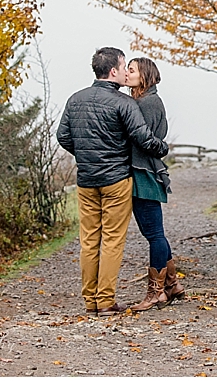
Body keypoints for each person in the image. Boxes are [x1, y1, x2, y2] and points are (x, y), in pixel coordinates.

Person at [56, 47, 170, 317]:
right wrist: (162, 148)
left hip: (86, 180)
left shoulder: (75, 99)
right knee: (111, 240)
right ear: (112, 71)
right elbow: (143, 138)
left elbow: (63, 136)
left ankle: (90, 300)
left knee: (89, 239)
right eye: (123, 66)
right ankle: (105, 300)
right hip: (116, 179)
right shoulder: (123, 103)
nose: (126, 71)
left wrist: (87, 155)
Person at [125, 57, 186, 311]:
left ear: (145, 75)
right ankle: (171, 285)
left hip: (144, 173)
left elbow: (146, 139)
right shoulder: (146, 100)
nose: (127, 74)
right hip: (144, 171)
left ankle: (156, 293)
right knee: (155, 232)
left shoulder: (148, 102)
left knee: (154, 234)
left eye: (131, 70)